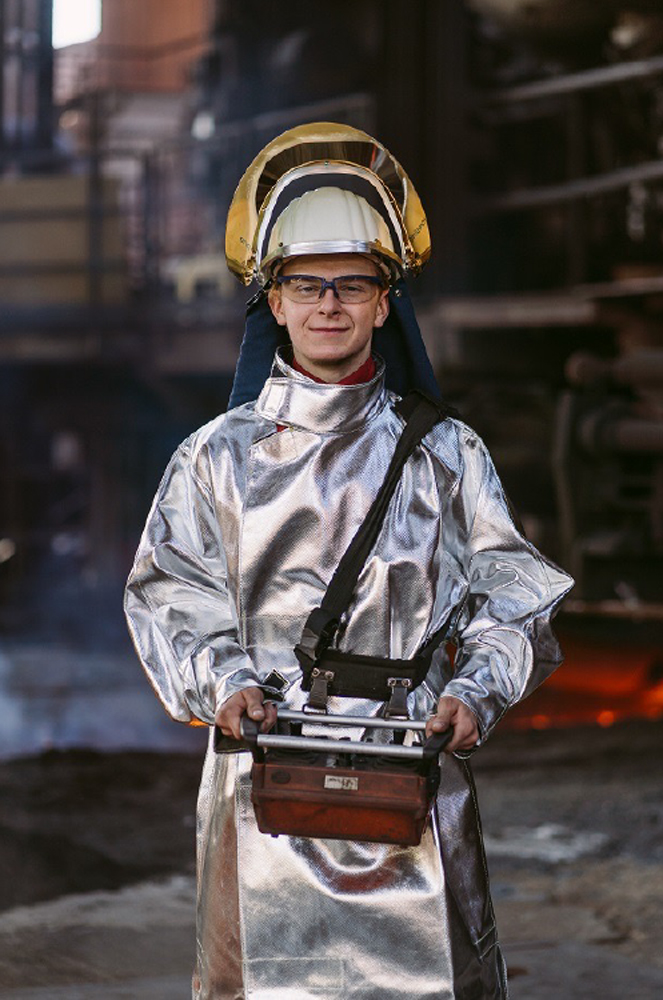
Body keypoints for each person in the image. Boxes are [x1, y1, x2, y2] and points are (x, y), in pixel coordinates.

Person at [125, 123, 573, 1000]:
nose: (328, 303)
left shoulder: (445, 452)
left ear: (382, 303)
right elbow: (170, 595)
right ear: (274, 302)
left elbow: (512, 593)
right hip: (266, 781)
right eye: (305, 284)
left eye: (352, 284)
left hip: (409, 778)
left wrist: (473, 690)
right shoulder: (214, 459)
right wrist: (221, 684)